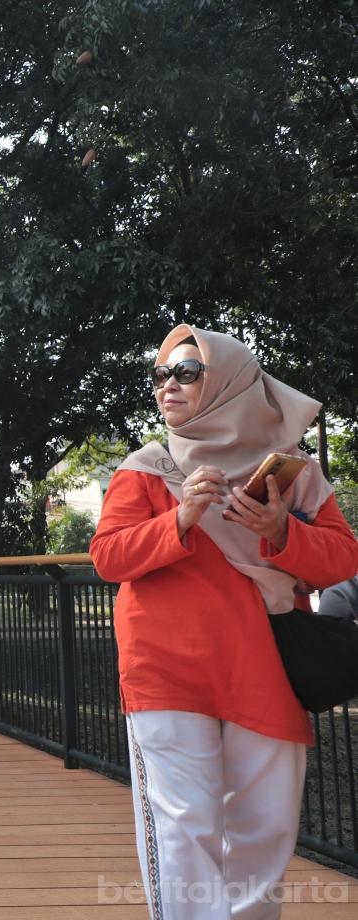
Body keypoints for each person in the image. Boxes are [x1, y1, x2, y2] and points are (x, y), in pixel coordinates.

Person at [90, 325, 358, 920]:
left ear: (231, 380)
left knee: (264, 832)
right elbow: (109, 556)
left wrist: (281, 532)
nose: (168, 386)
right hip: (167, 670)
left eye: (187, 372)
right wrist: (181, 518)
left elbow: (343, 557)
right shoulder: (149, 467)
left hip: (266, 663)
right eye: (160, 375)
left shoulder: (294, 471)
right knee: (185, 830)